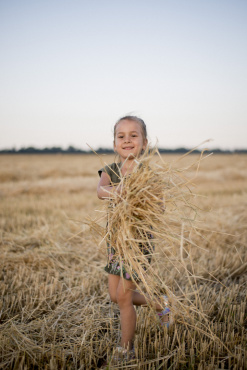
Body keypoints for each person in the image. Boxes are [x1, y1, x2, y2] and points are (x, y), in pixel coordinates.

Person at [97, 116, 172, 362]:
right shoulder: (110, 171)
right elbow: (101, 191)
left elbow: (160, 206)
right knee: (113, 294)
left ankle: (126, 348)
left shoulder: (147, 173)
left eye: (133, 135)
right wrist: (119, 190)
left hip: (138, 244)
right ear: (114, 143)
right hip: (115, 242)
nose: (127, 140)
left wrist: (146, 200)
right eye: (121, 136)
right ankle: (159, 303)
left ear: (144, 143)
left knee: (124, 296)